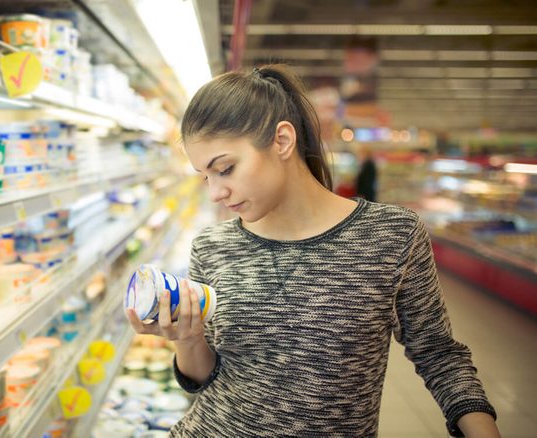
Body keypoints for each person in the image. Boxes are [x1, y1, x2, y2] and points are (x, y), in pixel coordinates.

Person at [126, 64, 499, 437]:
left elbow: (438, 354)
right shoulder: (213, 246)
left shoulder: (392, 235)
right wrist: (188, 339)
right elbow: (203, 378)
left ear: (282, 141)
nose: (215, 192)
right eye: (205, 176)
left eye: (225, 168)